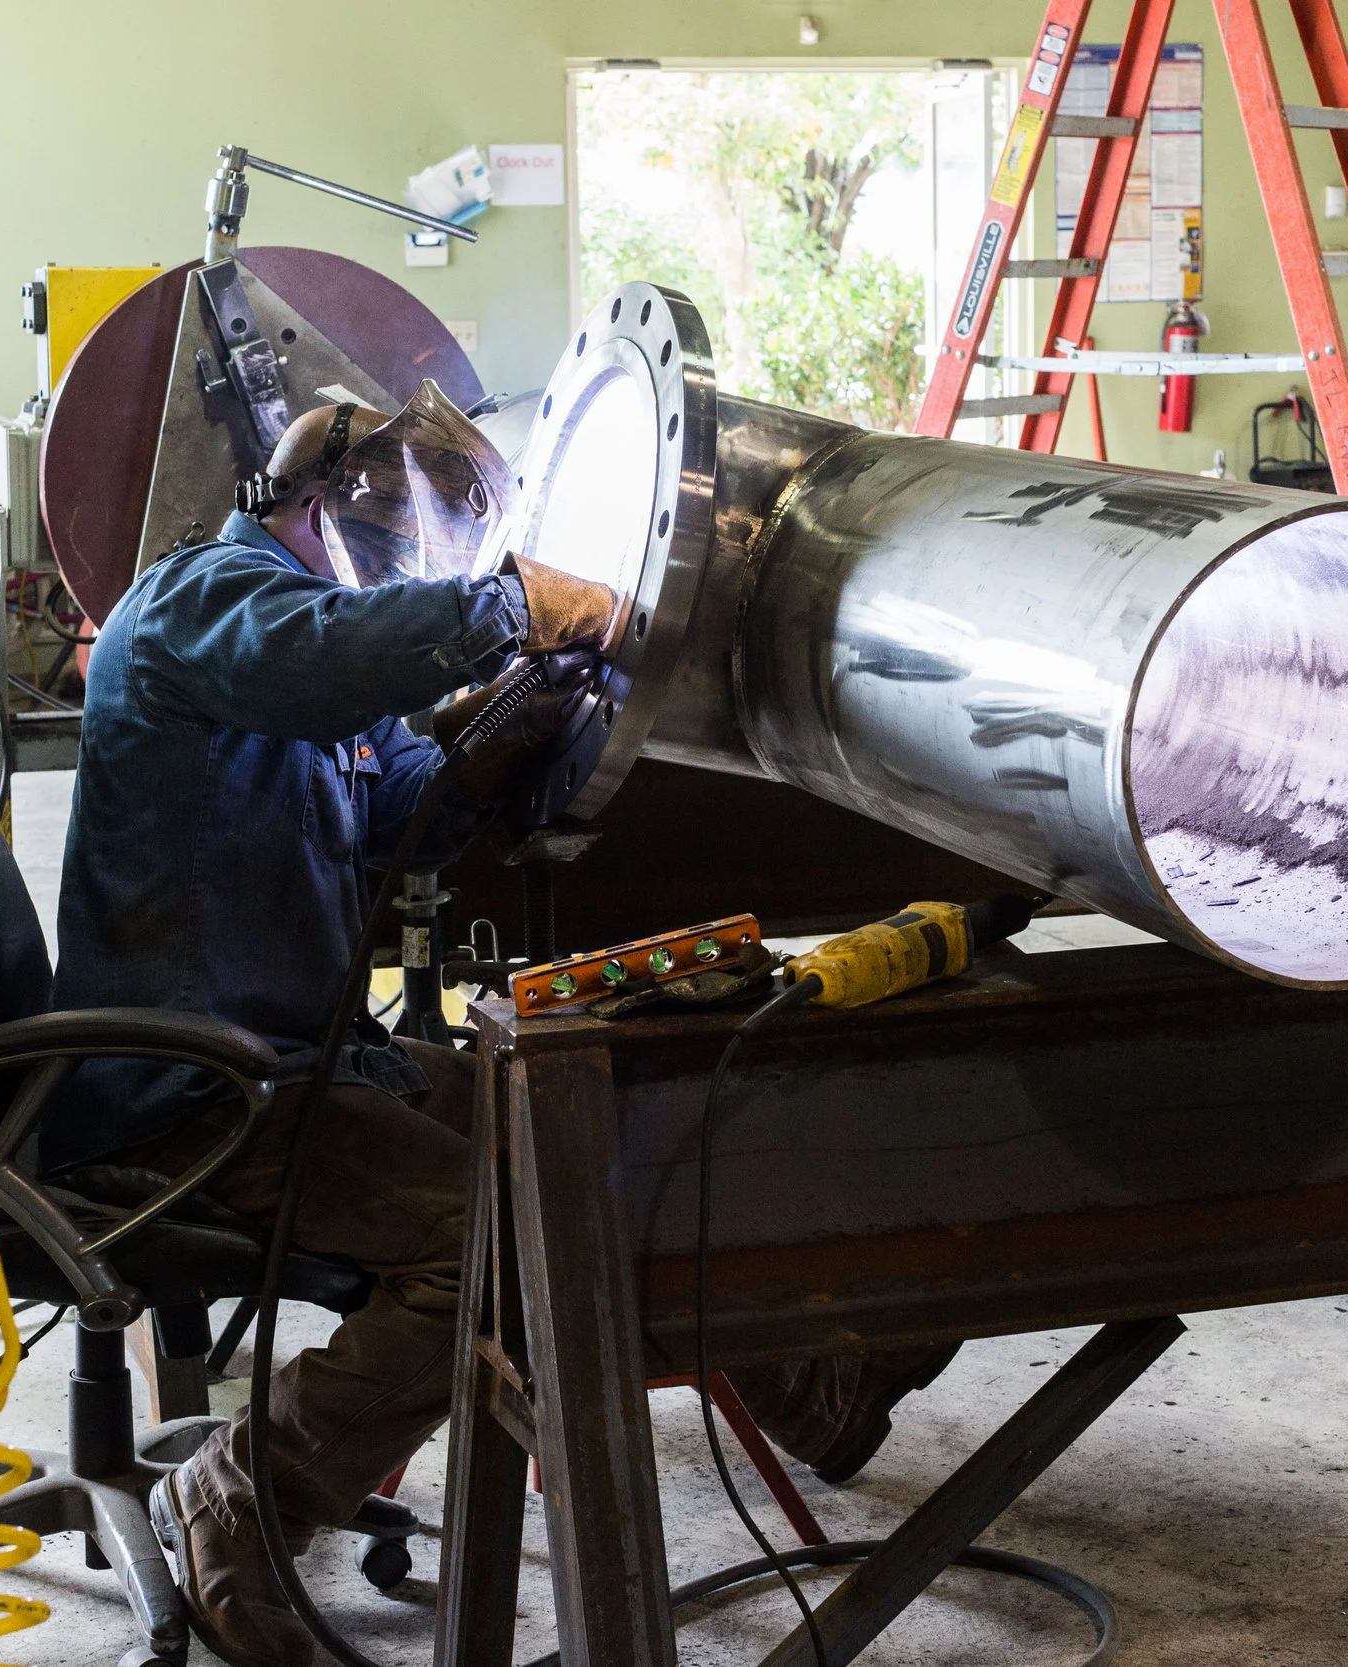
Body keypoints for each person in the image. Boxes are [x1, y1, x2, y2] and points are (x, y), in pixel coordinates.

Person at [46, 384, 948, 1666]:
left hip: (300, 1062)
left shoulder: (301, 640)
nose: (431, 572)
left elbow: (384, 809)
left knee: (585, 1129)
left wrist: (488, 740)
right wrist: (512, 605)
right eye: (426, 548)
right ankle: (245, 1483)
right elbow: (323, 660)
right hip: (192, 1088)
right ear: (338, 507)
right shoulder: (204, 599)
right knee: (489, 1243)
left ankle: (810, 1381)